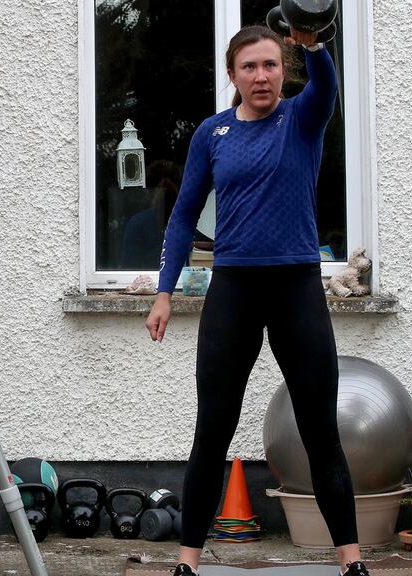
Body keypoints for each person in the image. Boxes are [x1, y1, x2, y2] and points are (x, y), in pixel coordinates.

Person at [144, 24, 370, 576]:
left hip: (296, 289)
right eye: (250, 67)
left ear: (283, 69)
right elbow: (182, 216)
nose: (261, 76)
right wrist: (164, 290)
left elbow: (327, 90)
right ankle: (188, 564)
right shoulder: (212, 133)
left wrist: (315, 45)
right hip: (234, 291)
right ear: (233, 75)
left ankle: (352, 563)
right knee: (212, 432)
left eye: (271, 65)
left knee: (321, 433)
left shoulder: (302, 117)